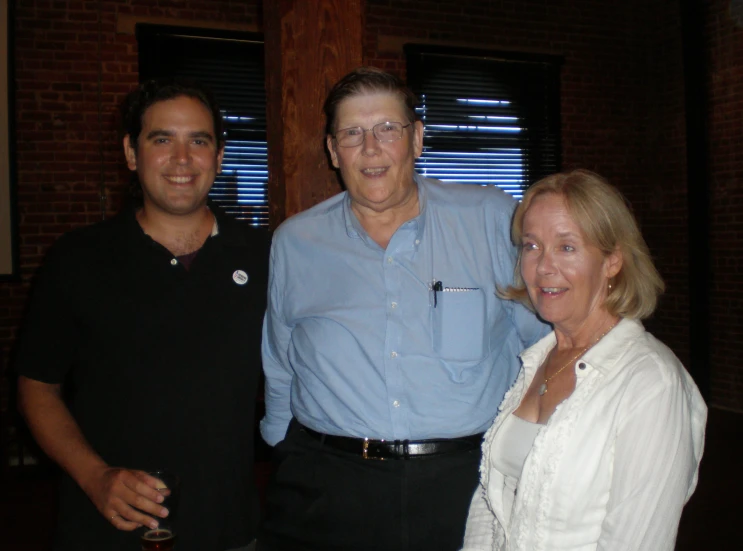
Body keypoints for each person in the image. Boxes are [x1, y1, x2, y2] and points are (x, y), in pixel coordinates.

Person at [259, 67, 547, 551]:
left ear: (416, 139)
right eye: (352, 133)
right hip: (329, 486)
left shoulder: (490, 219)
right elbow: (281, 361)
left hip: (465, 482)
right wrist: (282, 455)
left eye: (387, 129)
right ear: (333, 151)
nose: (370, 148)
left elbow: (541, 347)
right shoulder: (295, 241)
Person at [14, 78, 269, 551]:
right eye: (161, 140)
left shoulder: (265, 255)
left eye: (199, 140)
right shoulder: (78, 259)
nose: (182, 159)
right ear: (131, 153)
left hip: (231, 530)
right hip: (107, 531)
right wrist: (95, 477)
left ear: (219, 155)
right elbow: (37, 386)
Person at [461, 169, 707, 551]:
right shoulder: (538, 360)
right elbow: (491, 503)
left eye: (567, 247)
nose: (543, 267)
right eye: (531, 246)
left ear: (612, 260)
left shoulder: (650, 381)